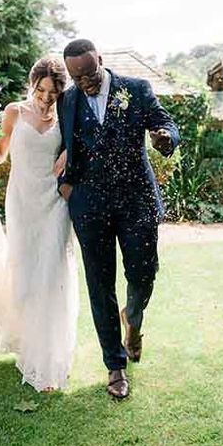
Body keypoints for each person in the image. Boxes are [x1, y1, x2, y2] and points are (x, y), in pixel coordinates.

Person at [57, 39, 179, 399]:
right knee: (100, 284)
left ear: (101, 61)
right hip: (89, 205)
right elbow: (61, 144)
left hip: (136, 201)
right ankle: (115, 365)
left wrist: (164, 139)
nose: (84, 82)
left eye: (89, 73)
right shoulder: (67, 99)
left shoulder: (136, 89)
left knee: (143, 272)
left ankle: (135, 319)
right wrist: (66, 184)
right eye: (76, 76)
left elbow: (166, 123)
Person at [0, 57, 79, 392]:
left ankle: (49, 358)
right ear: (32, 84)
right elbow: (0, 153)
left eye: (53, 92)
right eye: (41, 90)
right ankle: (29, 341)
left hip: (55, 202)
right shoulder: (14, 112)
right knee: (26, 276)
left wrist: (72, 155)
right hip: (22, 202)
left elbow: (84, 145)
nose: (46, 98)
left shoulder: (66, 113)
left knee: (52, 274)